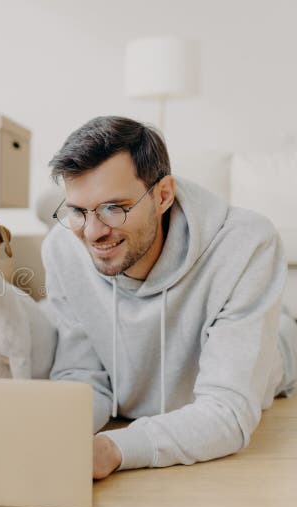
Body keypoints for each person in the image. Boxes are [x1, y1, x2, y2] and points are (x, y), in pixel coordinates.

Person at [42, 116, 297, 479]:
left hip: (276, 356)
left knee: (286, 336)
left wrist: (114, 448)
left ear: (163, 195)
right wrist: (53, 432)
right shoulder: (62, 249)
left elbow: (227, 412)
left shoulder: (247, 243)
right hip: (153, 385)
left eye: (114, 208)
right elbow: (82, 375)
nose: (94, 232)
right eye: (79, 211)